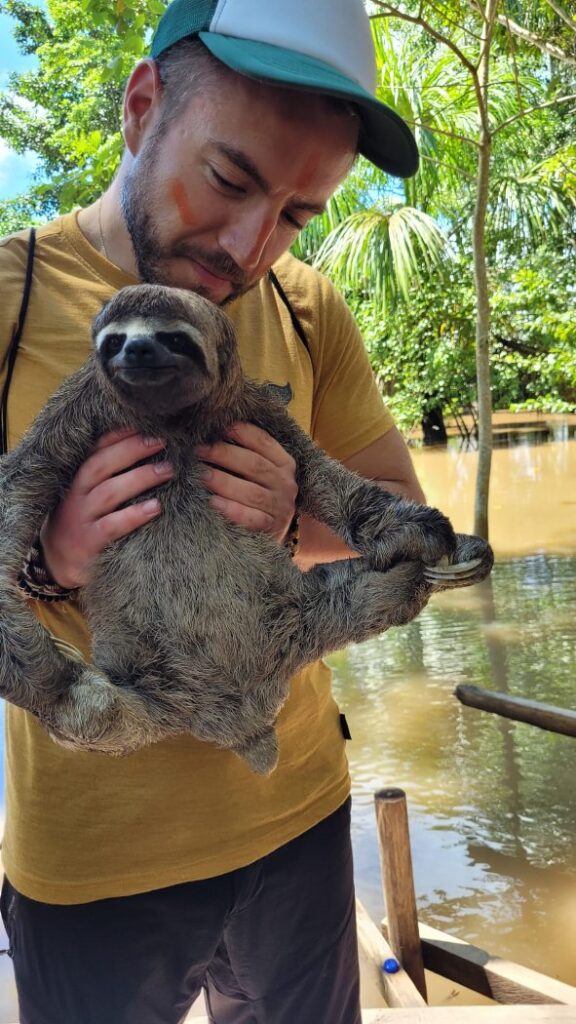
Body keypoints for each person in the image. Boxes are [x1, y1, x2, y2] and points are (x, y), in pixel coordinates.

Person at [0, 1, 425, 1021]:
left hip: (300, 818)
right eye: (230, 180)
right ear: (142, 105)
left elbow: (403, 516)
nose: (249, 243)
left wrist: (293, 520)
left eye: (292, 214)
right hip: (95, 859)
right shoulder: (11, 296)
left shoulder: (306, 308)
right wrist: (43, 557)